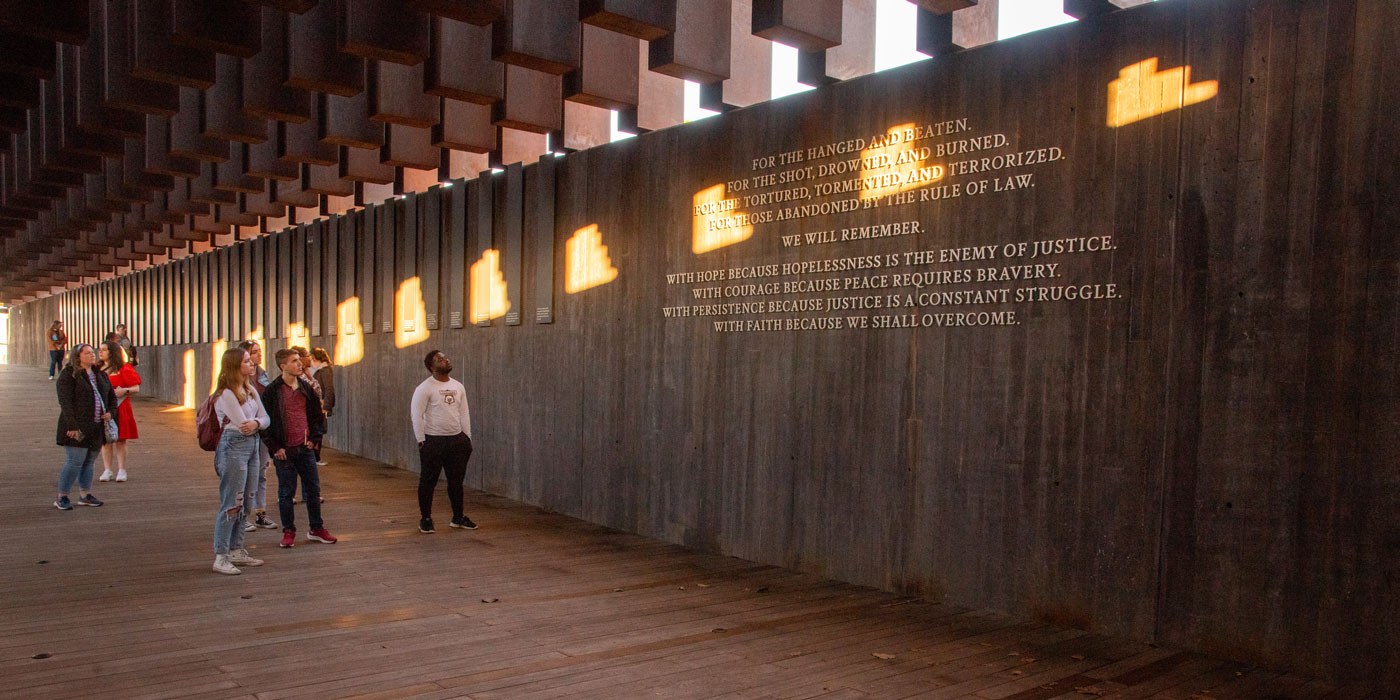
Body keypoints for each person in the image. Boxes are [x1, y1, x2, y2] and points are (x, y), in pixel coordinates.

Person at [261, 348, 336, 548]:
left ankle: (316, 528)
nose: (299, 364)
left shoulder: (305, 388)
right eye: (294, 361)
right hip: (284, 450)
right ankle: (289, 531)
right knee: (286, 492)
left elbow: (317, 416)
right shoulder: (272, 391)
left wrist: (314, 438)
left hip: (305, 448)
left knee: (313, 489)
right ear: (282, 366)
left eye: (298, 361)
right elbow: (265, 422)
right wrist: (275, 447)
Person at [210, 348, 270, 575]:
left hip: (252, 445)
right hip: (234, 445)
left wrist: (257, 423)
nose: (252, 363)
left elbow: (266, 418)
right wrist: (257, 423)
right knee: (232, 501)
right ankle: (221, 554)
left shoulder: (250, 389)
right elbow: (242, 423)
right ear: (236, 365)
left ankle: (237, 548)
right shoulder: (227, 393)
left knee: (247, 500)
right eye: (247, 361)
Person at [410, 350, 475, 534]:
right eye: (440, 359)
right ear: (432, 366)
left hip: (457, 441)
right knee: (428, 481)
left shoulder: (458, 386)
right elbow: (416, 415)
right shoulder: (425, 388)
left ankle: (458, 517)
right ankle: (426, 519)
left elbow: (464, 413)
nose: (445, 359)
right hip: (433, 440)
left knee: (456, 481)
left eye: (445, 357)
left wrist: (467, 438)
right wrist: (421, 440)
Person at [53, 344, 113, 510]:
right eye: (87, 353)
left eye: (92, 353)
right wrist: (71, 426)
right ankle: (62, 496)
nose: (92, 355)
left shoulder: (99, 373)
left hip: (96, 427)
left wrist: (110, 413)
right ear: (77, 356)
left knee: (89, 461)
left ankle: (85, 494)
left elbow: (111, 397)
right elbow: (65, 402)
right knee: (75, 461)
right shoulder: (69, 375)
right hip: (77, 427)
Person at [235, 340, 278, 532]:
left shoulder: (262, 374)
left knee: (261, 472)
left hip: (262, 430)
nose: (258, 355)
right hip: (243, 433)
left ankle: (261, 513)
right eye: (254, 352)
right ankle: (241, 515)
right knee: (243, 475)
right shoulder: (236, 380)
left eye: (259, 351)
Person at [97, 341, 141, 483]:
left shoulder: (124, 368)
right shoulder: (97, 369)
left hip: (121, 407)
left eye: (104, 350)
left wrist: (124, 390)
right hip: (103, 408)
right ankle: (107, 469)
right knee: (106, 440)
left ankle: (122, 469)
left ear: (112, 352)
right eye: (100, 349)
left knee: (121, 440)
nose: (100, 352)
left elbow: (136, 388)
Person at [309, 348, 335, 466]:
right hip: (318, 404)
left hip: (322, 404)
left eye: (313, 359)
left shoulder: (325, 370)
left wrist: (326, 406)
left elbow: (329, 388)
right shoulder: (319, 370)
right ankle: (315, 457)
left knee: (319, 430)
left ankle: (316, 457)